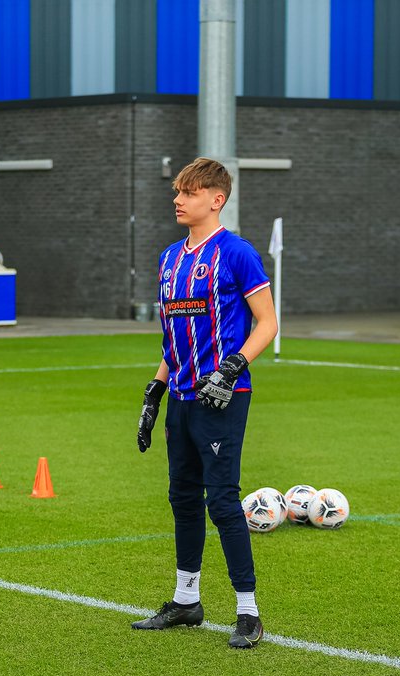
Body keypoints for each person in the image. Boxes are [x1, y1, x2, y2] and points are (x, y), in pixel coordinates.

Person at [132, 157, 278, 649]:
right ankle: (187, 600)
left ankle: (248, 611)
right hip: (181, 398)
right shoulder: (170, 258)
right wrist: (154, 393)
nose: (178, 199)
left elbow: (268, 324)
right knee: (182, 497)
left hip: (224, 396)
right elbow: (172, 339)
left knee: (222, 499)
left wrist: (232, 366)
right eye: (178, 191)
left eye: (190, 192)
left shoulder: (237, 254)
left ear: (216, 199)